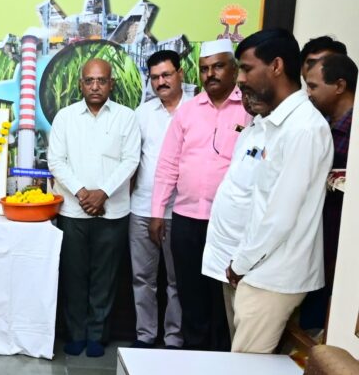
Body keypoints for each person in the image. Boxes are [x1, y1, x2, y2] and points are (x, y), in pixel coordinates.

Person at [227, 28, 333, 353]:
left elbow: (280, 216)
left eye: (247, 68)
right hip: (261, 269)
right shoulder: (277, 123)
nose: (240, 79)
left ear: (276, 66)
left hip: (272, 276)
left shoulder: (303, 128)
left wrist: (241, 263)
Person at [150, 39, 251, 351]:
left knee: (222, 297)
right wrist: (157, 212)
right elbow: (168, 164)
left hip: (229, 223)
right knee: (190, 294)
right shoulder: (188, 111)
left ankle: (220, 359)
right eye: (205, 68)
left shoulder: (249, 110)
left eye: (218, 66)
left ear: (233, 69)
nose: (211, 74)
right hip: (187, 219)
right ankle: (194, 356)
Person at [47, 59, 140, 358]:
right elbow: (56, 161)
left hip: (113, 211)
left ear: (112, 84)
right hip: (73, 211)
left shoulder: (126, 117)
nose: (95, 86)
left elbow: (130, 160)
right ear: (81, 85)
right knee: (73, 276)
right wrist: (82, 193)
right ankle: (76, 334)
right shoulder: (65, 117)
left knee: (105, 277)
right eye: (89, 81)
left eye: (101, 80)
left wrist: (103, 193)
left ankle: (97, 335)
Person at [128, 50, 185, 349]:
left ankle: (174, 339)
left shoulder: (195, 110)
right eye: (154, 77)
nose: (160, 82)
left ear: (180, 74)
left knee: (177, 281)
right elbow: (132, 159)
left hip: (182, 211)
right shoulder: (143, 113)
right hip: (142, 208)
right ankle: (145, 336)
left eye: (166, 75)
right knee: (142, 278)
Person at [298, 53, 355, 330]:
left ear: (340, 86)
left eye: (313, 86)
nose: (308, 94)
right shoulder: (321, 125)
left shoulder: (354, 133)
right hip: (316, 244)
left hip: (343, 248)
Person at [202, 94, 263, 340]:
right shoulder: (250, 131)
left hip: (250, 255)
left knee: (247, 339)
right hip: (230, 254)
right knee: (234, 330)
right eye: (243, 91)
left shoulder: (282, 134)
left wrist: (243, 259)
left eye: (252, 91)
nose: (246, 98)